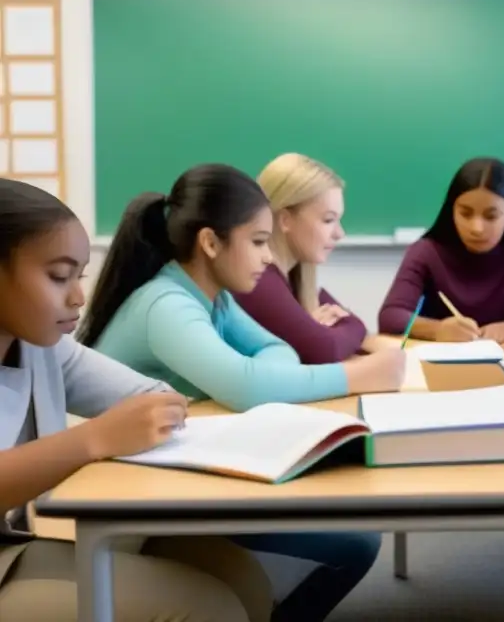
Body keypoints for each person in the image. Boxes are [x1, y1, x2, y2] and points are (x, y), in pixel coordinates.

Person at [78, 163, 404, 622]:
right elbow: (250, 385)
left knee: (348, 534)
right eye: (257, 242)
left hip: (177, 467)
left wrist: (252, 379)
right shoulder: (166, 304)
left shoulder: (214, 297)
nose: (269, 257)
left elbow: (276, 353)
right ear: (211, 243)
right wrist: (358, 376)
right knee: (355, 544)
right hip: (134, 494)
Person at [0, 178, 273, 622]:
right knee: (211, 609)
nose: (78, 297)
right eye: (57, 276)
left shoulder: (45, 347)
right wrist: (95, 438)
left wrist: (155, 412)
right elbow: (104, 432)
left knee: (244, 581)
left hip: (12, 546)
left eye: (79, 276)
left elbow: (151, 396)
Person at [378, 157, 504, 343]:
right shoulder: (426, 251)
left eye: (491, 216)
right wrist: (438, 330)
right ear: (452, 209)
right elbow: (390, 316)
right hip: (439, 357)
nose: (477, 228)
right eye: (465, 213)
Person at [234, 153, 368, 363]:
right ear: (285, 219)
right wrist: (329, 331)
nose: (339, 233)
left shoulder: (296, 273)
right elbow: (327, 348)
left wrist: (334, 330)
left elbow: (352, 324)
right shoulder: (258, 279)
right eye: (328, 220)